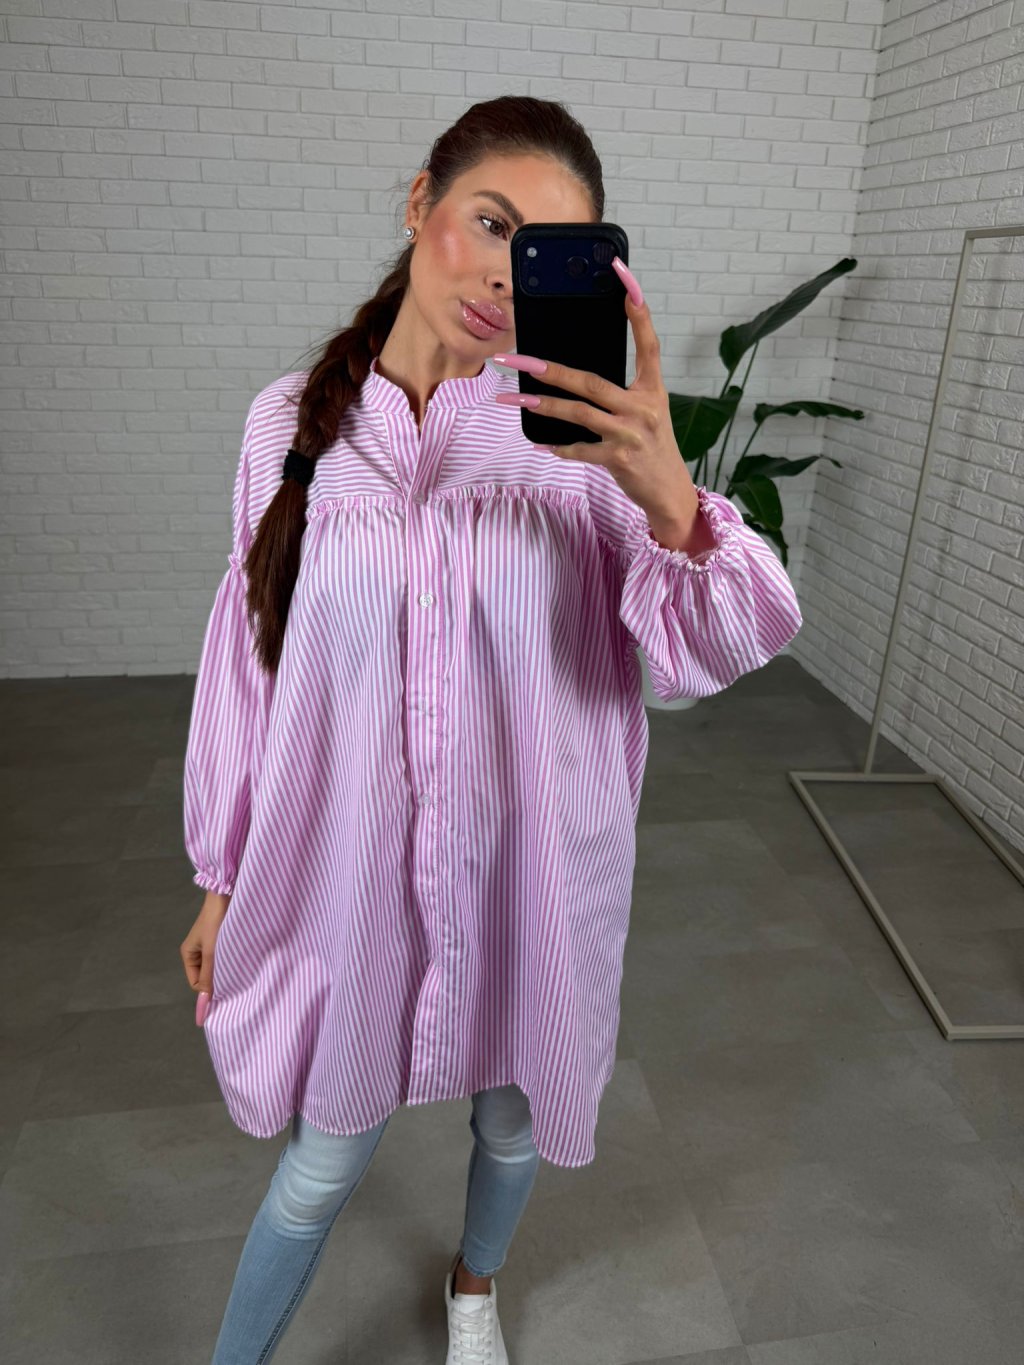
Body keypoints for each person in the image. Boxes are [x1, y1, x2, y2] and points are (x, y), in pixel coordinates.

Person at [179, 94, 803, 1364]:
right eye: (492, 224)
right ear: (421, 203)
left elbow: (716, 646)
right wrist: (220, 872)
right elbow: (248, 659)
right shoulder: (287, 424)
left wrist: (672, 501)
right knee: (318, 1165)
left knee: (510, 1127)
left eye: (547, 255)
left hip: (534, 865)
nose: (508, 279)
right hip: (350, 867)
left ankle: (475, 1292)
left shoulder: (588, 447)